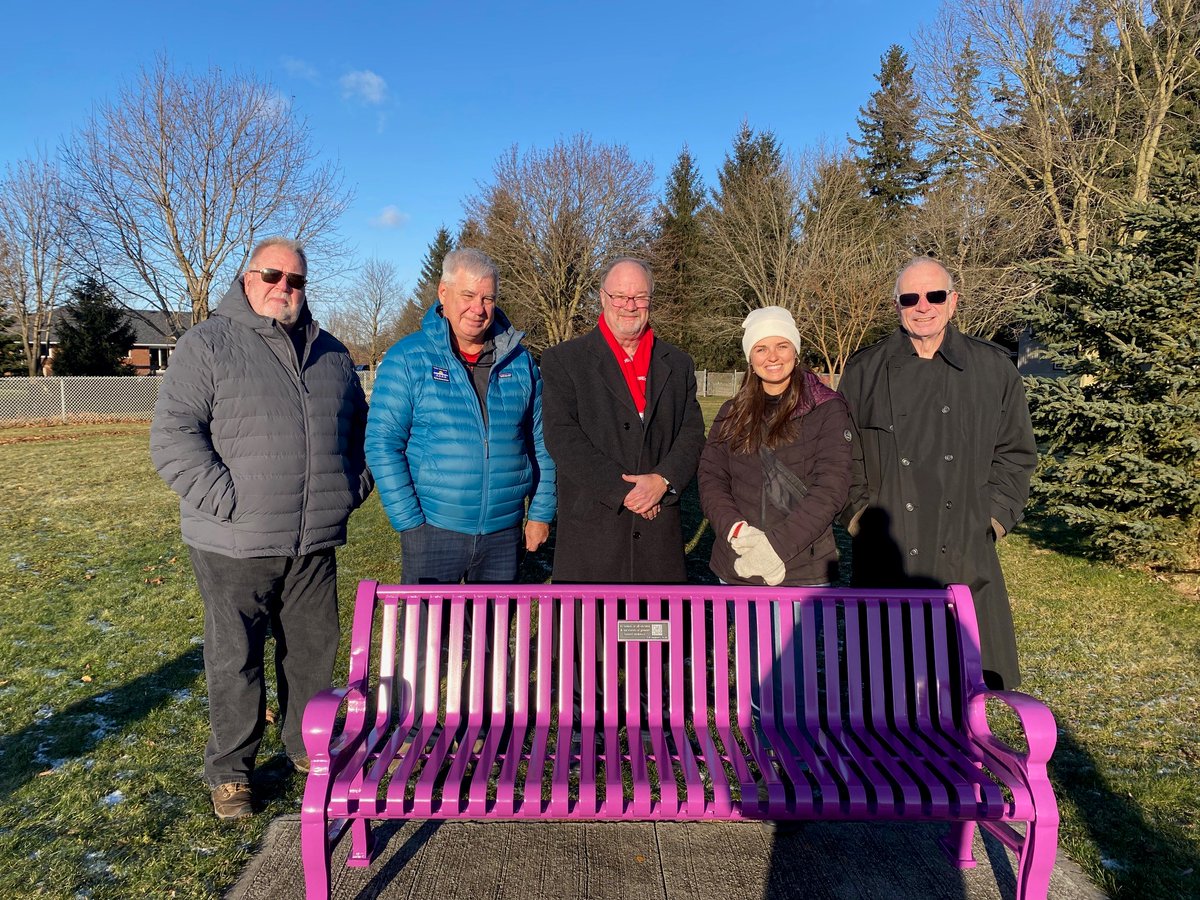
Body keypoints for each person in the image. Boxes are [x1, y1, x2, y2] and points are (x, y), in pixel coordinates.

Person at [151, 237, 372, 820]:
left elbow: (361, 435)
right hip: (234, 541)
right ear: (248, 278)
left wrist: (349, 491)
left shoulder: (332, 353)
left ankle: (307, 748)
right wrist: (228, 501)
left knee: (311, 653)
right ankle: (231, 771)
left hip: (313, 540)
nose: (284, 288)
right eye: (273, 276)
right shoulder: (209, 344)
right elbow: (174, 437)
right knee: (235, 658)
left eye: (296, 281)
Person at [838, 257, 1036, 689]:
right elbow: (843, 453)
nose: (922, 306)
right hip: (887, 548)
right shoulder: (864, 370)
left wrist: (993, 519)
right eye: (910, 297)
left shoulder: (993, 369)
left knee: (962, 689)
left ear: (953, 302)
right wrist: (858, 515)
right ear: (896, 305)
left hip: (964, 547)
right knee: (882, 688)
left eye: (935, 295)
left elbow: (1016, 454)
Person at [365, 248, 555, 583]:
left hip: (502, 532)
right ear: (443, 292)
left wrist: (539, 512)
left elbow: (543, 443)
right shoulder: (408, 358)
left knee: (491, 633)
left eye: (488, 298)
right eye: (468, 295)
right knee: (430, 634)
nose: (478, 309)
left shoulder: (521, 363)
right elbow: (382, 444)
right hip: (433, 530)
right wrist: (409, 521)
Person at [540, 257, 705, 582]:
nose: (629, 306)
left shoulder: (678, 363)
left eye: (639, 297)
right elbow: (562, 437)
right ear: (603, 298)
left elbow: (692, 432)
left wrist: (662, 481)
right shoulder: (565, 361)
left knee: (656, 630)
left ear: (650, 302)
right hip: (593, 536)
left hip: (657, 533)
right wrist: (624, 490)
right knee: (590, 633)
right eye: (620, 296)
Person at [699, 307, 852, 586]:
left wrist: (774, 547)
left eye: (782, 345)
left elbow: (832, 486)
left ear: (795, 351)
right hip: (738, 562)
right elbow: (712, 478)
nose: (772, 356)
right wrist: (737, 531)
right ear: (750, 358)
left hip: (802, 568)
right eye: (761, 348)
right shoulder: (731, 412)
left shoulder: (826, 409)